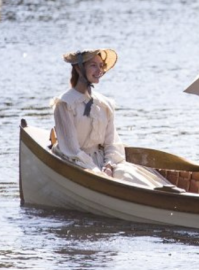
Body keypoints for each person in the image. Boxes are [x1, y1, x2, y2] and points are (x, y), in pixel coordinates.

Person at [51, 48, 171, 189]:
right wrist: (96, 171)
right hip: (76, 162)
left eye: (101, 65)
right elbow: (71, 150)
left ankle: (162, 194)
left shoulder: (104, 104)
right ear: (78, 68)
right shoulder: (65, 104)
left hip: (103, 160)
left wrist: (109, 165)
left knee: (129, 175)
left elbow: (111, 142)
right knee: (104, 179)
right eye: (93, 65)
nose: (99, 70)